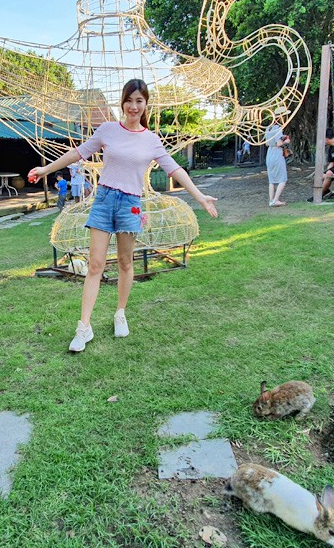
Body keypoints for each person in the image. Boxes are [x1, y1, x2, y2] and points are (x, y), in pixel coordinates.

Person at [28, 78, 219, 353]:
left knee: (125, 263)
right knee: (95, 264)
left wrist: (199, 196)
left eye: (139, 101)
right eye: (129, 100)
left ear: (145, 104)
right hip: (104, 199)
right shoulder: (107, 130)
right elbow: (78, 153)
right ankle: (84, 327)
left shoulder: (151, 140)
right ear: (123, 102)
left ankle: (120, 312)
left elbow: (175, 170)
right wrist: (45, 170)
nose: (133, 106)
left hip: (131, 203)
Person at [264, 120, 290, 206]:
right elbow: (279, 144)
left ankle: (271, 200)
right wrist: (286, 141)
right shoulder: (278, 129)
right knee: (282, 178)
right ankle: (275, 200)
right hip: (277, 153)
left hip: (269, 153)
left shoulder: (268, 128)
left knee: (271, 180)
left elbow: (267, 143)